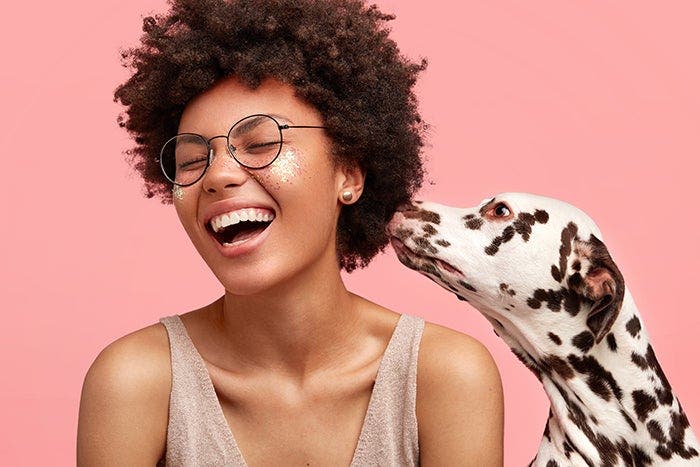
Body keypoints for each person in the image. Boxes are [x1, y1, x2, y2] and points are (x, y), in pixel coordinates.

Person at [77, 0, 504, 465]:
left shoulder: (445, 377)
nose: (217, 177)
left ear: (349, 174)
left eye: (261, 144)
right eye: (192, 160)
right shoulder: (136, 382)